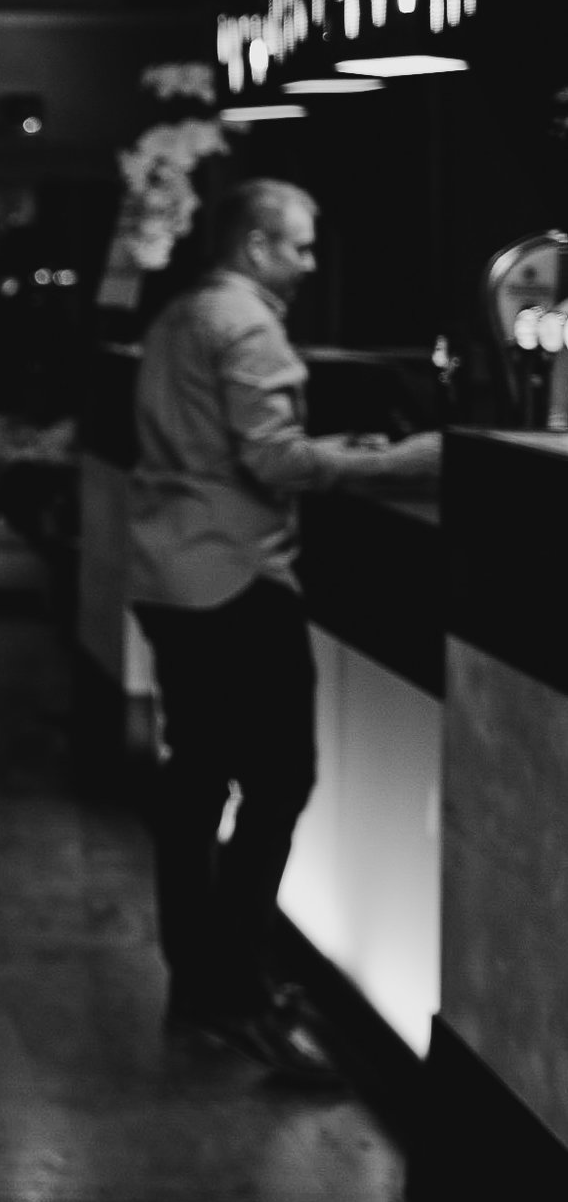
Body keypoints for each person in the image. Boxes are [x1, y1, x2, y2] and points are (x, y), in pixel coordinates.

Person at [126, 178, 439, 1083]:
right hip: (235, 578)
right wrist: (414, 461)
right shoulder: (249, 324)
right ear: (257, 243)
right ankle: (236, 986)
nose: (308, 263)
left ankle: (202, 976)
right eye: (299, 246)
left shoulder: (182, 315)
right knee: (278, 779)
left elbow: (223, 444)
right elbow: (273, 458)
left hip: (167, 570)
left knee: (194, 780)